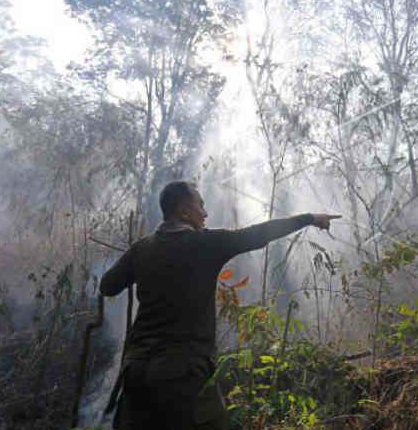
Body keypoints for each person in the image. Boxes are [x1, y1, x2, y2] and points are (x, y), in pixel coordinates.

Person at [99, 181, 340, 429]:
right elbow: (258, 234)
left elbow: (107, 286)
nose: (205, 213)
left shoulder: (142, 249)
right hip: (182, 372)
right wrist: (309, 218)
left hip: (135, 371)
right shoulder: (205, 243)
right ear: (183, 211)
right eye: (200, 206)